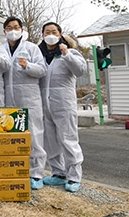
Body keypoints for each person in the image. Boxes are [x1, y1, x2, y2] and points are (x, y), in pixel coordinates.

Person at [38, 21, 87, 193]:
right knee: (50, 140)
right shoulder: (40, 55)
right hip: (45, 103)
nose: (50, 34)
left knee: (68, 139)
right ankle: (58, 173)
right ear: (42, 35)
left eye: (54, 32)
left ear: (60, 35)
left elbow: (81, 70)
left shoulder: (70, 52)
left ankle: (74, 176)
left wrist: (67, 55)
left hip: (64, 103)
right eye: (47, 32)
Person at [2, 16, 47, 190]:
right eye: (9, 28)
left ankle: (36, 173)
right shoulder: (2, 48)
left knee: (34, 134)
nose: (13, 30)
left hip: (29, 97)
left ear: (21, 30)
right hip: (8, 97)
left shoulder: (32, 48)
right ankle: (16, 169)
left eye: (16, 27)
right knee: (11, 134)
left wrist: (27, 65)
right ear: (5, 31)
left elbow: (42, 70)